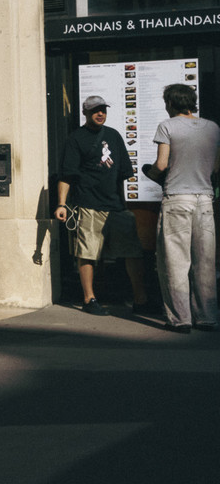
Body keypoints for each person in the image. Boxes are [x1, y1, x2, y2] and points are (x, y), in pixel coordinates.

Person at [55, 95, 149, 316]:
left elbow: (123, 173)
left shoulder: (114, 135)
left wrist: (123, 204)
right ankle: (89, 298)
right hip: (88, 203)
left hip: (116, 205)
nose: (100, 113)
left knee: (132, 252)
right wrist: (62, 204)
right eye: (95, 110)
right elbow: (67, 175)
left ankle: (141, 299)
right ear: (85, 112)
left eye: (103, 110)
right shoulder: (76, 139)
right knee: (87, 252)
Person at [151, 83, 220, 332]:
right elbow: (215, 168)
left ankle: (180, 319)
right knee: (205, 262)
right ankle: (207, 316)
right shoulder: (213, 128)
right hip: (204, 199)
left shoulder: (167, 126)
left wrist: (149, 172)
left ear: (170, 103)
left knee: (176, 262)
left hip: (177, 198)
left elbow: (161, 164)